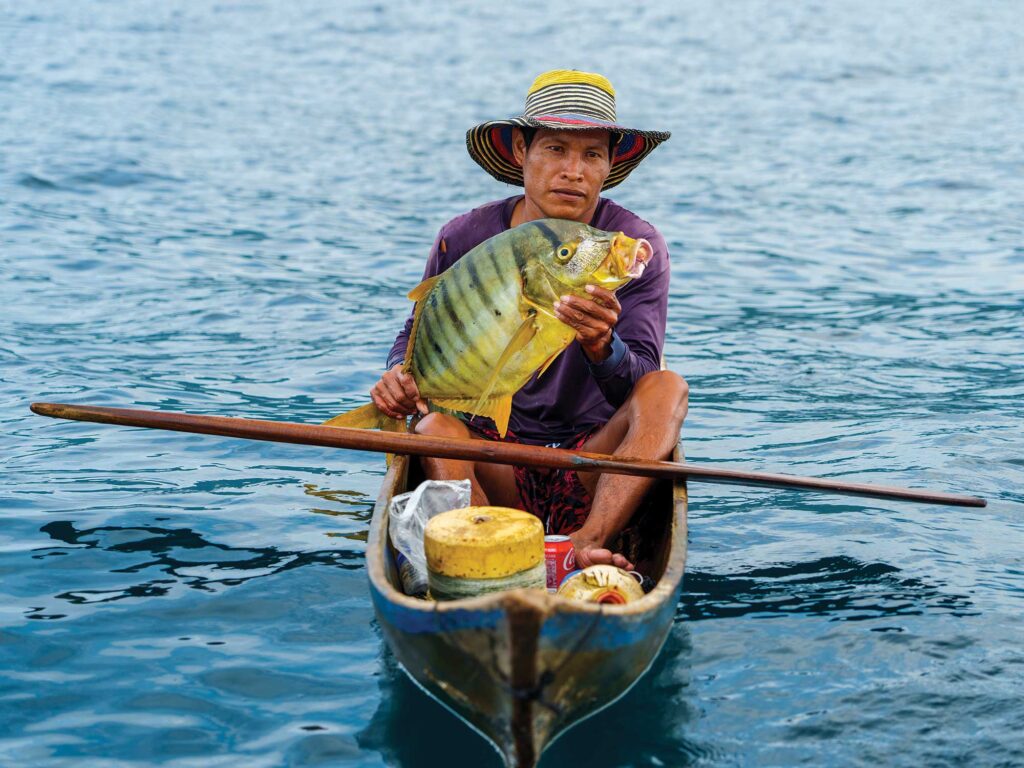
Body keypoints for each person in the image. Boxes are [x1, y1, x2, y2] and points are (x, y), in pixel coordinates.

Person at [371, 70, 688, 570]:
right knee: (433, 424)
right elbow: (420, 332)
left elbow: (641, 380)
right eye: (556, 149)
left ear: (610, 164)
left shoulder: (632, 248)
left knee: (668, 388)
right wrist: (397, 374)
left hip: (593, 464)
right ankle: (493, 549)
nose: (574, 171)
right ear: (521, 149)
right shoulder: (464, 236)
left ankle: (585, 543)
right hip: (491, 460)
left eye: (592, 155)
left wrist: (604, 347)